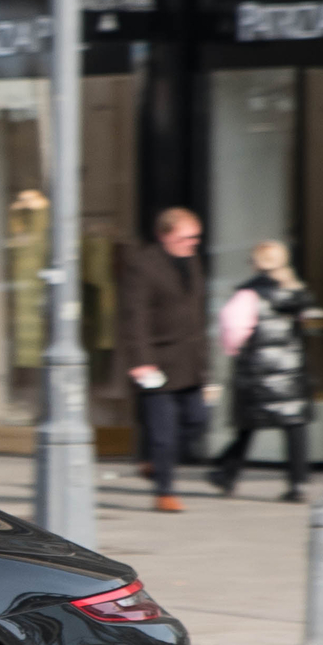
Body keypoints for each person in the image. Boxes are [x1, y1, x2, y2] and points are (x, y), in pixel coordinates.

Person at [119, 207, 212, 512]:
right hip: (157, 359)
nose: (192, 243)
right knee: (163, 430)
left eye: (195, 237)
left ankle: (155, 462)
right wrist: (141, 360)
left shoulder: (192, 261)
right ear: (165, 235)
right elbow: (135, 316)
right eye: (186, 237)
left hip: (190, 359)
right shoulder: (144, 266)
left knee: (198, 418)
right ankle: (165, 491)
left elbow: (196, 309)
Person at [209, 240, 314, 502]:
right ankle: (297, 484)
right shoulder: (297, 292)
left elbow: (232, 331)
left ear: (257, 263)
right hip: (290, 372)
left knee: (247, 426)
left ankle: (227, 474)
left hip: (257, 371)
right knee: (294, 425)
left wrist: (233, 352)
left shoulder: (248, 294)